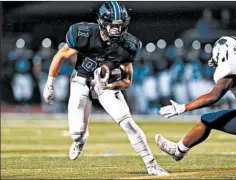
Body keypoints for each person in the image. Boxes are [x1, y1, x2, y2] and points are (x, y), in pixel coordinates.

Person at [43, 1, 168, 176]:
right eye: (113, 27)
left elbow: (127, 81)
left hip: (105, 85)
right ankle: (80, 141)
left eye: (120, 26)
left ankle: (151, 164)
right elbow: (61, 55)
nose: (117, 31)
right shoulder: (83, 33)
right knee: (77, 133)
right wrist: (49, 84)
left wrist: (108, 84)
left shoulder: (129, 45)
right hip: (80, 80)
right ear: (102, 23)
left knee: (128, 122)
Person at [156, 36, 236, 161]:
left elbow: (213, 97)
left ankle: (178, 150)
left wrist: (183, 107)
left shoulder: (231, 66)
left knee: (207, 120)